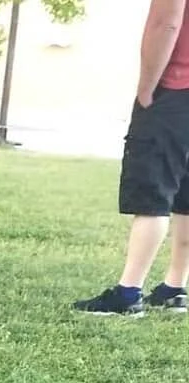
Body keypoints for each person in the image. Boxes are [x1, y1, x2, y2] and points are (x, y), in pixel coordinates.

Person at [74, 0, 189, 315]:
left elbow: (166, 23)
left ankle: (128, 293)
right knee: (185, 195)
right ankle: (174, 288)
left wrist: (147, 87)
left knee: (153, 189)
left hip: (176, 90)